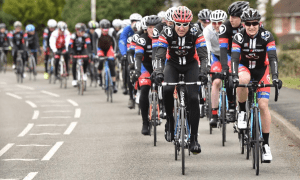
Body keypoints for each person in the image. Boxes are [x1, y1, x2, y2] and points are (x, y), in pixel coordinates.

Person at [153, 6, 208, 154]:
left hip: (191, 65)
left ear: (190, 23)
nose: (182, 28)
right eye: (178, 24)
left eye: (185, 24)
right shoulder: (167, 32)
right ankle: (170, 121)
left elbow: (203, 56)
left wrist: (203, 72)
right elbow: (160, 55)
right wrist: (158, 71)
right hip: (173, 65)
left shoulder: (196, 32)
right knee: (168, 88)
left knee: (193, 98)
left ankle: (194, 139)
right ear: (173, 23)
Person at [231, 8, 282, 162]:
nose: (251, 26)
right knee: (243, 79)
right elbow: (234, 58)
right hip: (244, 67)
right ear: (244, 24)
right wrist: (234, 76)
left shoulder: (267, 36)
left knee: (263, 105)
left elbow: (273, 58)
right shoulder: (238, 37)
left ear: (259, 23)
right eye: (248, 23)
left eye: (254, 23)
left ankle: (266, 145)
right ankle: (241, 112)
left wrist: (275, 77)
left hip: (262, 70)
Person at [215, 1, 249, 126]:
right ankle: (231, 106)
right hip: (230, 55)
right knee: (229, 76)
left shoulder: (251, 25)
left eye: (235, 17)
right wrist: (224, 68)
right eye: (230, 16)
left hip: (246, 56)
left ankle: (246, 104)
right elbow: (223, 50)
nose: (231, 19)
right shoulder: (226, 26)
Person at [130, 15, 161, 135]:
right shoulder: (142, 39)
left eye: (155, 27)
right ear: (146, 28)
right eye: (150, 27)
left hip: (159, 66)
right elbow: (138, 57)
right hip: (145, 67)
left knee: (166, 87)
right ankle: (145, 122)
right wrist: (137, 71)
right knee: (144, 89)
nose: (152, 30)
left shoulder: (163, 38)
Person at [203, 10, 228, 127]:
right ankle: (214, 114)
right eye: (214, 23)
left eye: (219, 22)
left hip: (227, 54)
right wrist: (207, 65)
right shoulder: (207, 30)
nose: (217, 25)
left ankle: (234, 107)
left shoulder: (228, 28)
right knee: (216, 81)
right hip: (214, 55)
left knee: (233, 80)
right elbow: (207, 49)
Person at [118, 13, 142, 101]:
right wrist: (124, 53)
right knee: (127, 67)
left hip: (140, 52)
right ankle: (129, 93)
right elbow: (122, 41)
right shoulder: (127, 29)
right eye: (133, 21)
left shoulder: (143, 28)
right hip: (129, 51)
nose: (134, 23)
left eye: (137, 21)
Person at [94, 19, 118, 93]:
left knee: (111, 63)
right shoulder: (97, 32)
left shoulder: (112, 31)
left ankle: (114, 84)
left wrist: (115, 52)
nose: (105, 31)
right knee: (100, 61)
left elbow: (115, 42)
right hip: (100, 48)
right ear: (100, 28)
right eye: (103, 30)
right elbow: (94, 44)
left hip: (109, 49)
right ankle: (99, 76)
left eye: (106, 29)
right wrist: (96, 54)